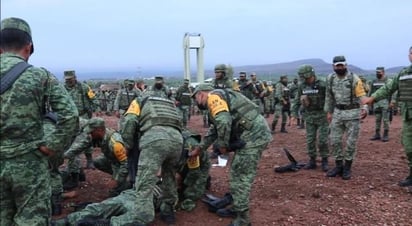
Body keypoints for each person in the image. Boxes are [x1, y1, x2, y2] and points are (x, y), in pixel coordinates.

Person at [0, 17, 78, 225]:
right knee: (31, 220)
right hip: (30, 163)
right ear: (29, 48)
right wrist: (53, 147)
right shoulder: (39, 75)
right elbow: (70, 115)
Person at [191, 84, 272, 226]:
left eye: (195, 98)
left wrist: (222, 145)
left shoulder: (213, 97)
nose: (196, 103)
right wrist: (199, 149)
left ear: (201, 94)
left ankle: (243, 219)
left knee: (240, 176)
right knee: (237, 172)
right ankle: (237, 207)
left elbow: (223, 121)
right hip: (252, 134)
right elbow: (214, 130)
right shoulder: (218, 100)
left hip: (253, 136)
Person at [121, 94, 183, 225]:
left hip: (155, 139)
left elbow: (129, 121)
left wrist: (127, 144)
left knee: (145, 182)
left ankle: (141, 217)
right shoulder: (168, 103)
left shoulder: (140, 100)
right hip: (177, 140)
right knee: (169, 177)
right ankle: (168, 211)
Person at [362, 46, 412, 187]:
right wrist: (371, 99)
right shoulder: (404, 73)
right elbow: (388, 88)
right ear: (409, 55)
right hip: (409, 117)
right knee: (409, 147)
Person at [324, 55, 368, 180]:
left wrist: (364, 108)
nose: (340, 67)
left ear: (346, 65)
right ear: (333, 66)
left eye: (342, 65)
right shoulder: (330, 78)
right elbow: (329, 96)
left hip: (353, 113)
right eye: (337, 65)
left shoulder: (354, 78)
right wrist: (328, 111)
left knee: (351, 143)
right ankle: (338, 165)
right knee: (334, 140)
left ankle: (347, 166)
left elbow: (362, 95)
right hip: (337, 113)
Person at [64, 117, 130, 197]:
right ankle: (118, 176)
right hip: (113, 161)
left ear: (99, 130)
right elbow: (81, 146)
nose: (90, 134)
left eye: (91, 132)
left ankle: (127, 180)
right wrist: (64, 156)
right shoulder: (99, 136)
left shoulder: (115, 144)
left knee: (114, 194)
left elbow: (126, 164)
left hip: (124, 165)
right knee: (98, 162)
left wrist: (116, 180)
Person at [292, 65, 329, 172]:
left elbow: (331, 98)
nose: (304, 79)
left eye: (304, 76)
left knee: (322, 140)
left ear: (310, 74)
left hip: (323, 115)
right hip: (309, 116)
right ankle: (312, 160)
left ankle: (324, 160)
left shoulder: (323, 84)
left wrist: (331, 112)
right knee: (310, 140)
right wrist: (294, 114)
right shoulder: (302, 85)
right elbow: (296, 101)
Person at [64, 70, 100, 169]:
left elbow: (93, 99)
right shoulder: (62, 89)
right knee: (71, 139)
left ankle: (89, 160)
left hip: (83, 116)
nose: (69, 81)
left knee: (86, 138)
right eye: (67, 80)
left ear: (75, 77)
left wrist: (97, 110)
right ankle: (74, 165)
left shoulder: (83, 87)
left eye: (70, 79)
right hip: (69, 117)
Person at [368, 67, 391, 142]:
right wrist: (369, 102)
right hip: (376, 103)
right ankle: (377, 134)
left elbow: (392, 92)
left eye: (379, 72)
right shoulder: (373, 81)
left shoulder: (388, 81)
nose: (377, 74)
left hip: (385, 103)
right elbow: (370, 92)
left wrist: (392, 102)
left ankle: (385, 134)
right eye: (377, 72)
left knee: (385, 119)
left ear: (383, 72)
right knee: (377, 119)